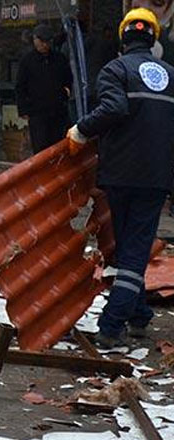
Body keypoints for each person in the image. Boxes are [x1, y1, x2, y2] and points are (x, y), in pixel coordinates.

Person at [67, 8, 174, 348]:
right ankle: (139, 315)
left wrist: (82, 129)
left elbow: (113, 108)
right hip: (156, 176)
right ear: (153, 39)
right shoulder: (171, 75)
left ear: (123, 38)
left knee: (131, 248)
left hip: (120, 173)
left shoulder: (116, 69)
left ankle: (112, 325)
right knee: (133, 245)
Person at [16, 24, 73, 154]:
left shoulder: (59, 58)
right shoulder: (27, 60)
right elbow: (20, 85)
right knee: (40, 146)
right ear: (35, 40)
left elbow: (68, 78)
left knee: (57, 144)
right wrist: (23, 108)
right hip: (37, 111)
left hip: (57, 110)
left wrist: (65, 93)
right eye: (42, 41)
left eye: (47, 42)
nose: (45, 45)